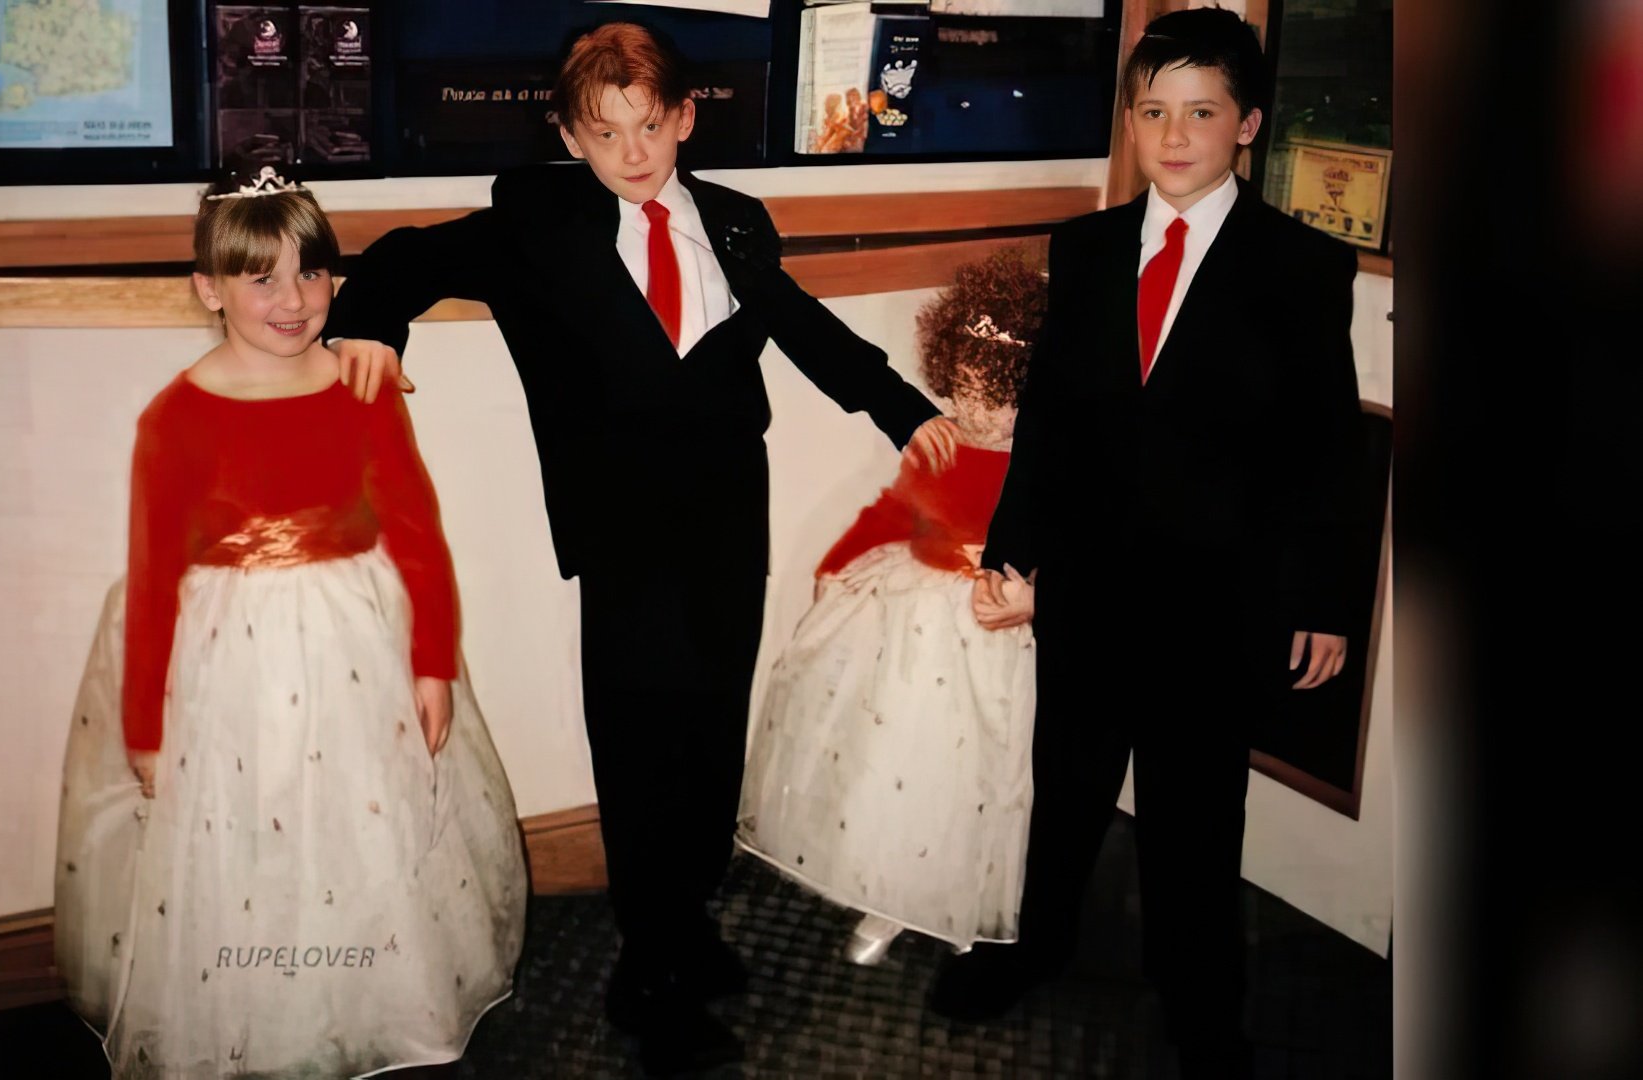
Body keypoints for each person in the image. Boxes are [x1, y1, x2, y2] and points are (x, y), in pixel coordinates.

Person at [320, 21, 958, 1075]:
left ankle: (687, 923)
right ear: (569, 135)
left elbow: (801, 327)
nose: (632, 152)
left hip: (724, 516)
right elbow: (412, 258)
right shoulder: (537, 219)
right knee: (639, 742)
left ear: (684, 119)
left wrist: (899, 408)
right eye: (606, 132)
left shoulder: (738, 224)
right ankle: (647, 967)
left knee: (709, 732)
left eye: (650, 126)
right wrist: (370, 326)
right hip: (621, 529)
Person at [928, 11, 1363, 1077]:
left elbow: (1325, 446)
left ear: (1248, 125)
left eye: (1202, 112)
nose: (1174, 136)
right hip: (1088, 582)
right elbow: (1052, 424)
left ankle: (1201, 999)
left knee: (1195, 815)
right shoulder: (1082, 250)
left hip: (1218, 597)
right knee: (1066, 787)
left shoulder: (1302, 267)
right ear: (1129, 120)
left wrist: (1325, 599)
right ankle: (1038, 946)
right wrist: (1012, 549)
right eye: (1154, 111)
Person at [53, 170, 527, 1078]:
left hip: (357, 646)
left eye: (311, 274)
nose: (293, 299)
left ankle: (370, 996)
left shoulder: (361, 384)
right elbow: (153, 578)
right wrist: (145, 731)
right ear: (210, 287)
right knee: (249, 834)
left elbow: (417, 535)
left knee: (368, 826)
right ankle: (261, 1007)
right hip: (229, 666)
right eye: (261, 278)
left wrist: (430, 664)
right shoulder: (176, 415)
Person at [736, 247, 1045, 966]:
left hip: (989, 630)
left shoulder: (1041, 457)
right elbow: (891, 513)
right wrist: (835, 563)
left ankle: (961, 885)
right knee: (887, 757)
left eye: (998, 393)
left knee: (976, 773)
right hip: (906, 619)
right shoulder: (935, 441)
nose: (978, 409)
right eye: (965, 387)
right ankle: (888, 889)